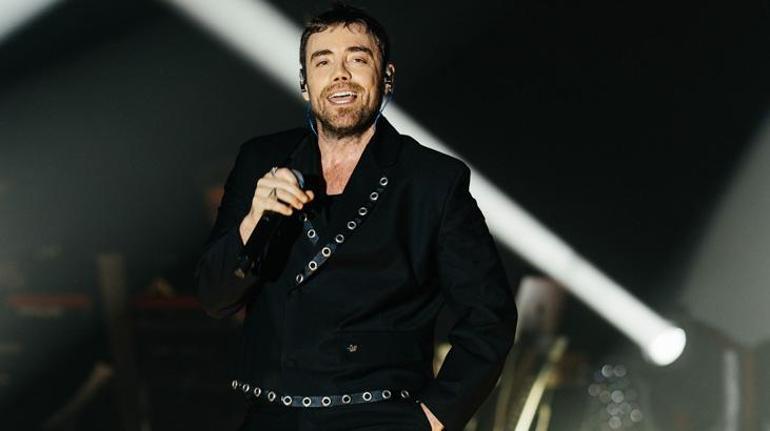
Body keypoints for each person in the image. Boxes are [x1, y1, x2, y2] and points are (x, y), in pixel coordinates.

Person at [195, 4, 517, 430]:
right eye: (323, 62)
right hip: (272, 416)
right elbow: (215, 298)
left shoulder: (431, 180)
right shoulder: (262, 160)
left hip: (379, 415)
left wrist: (434, 417)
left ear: (386, 77)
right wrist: (254, 219)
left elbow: (489, 318)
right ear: (305, 84)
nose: (340, 75)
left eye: (358, 59)